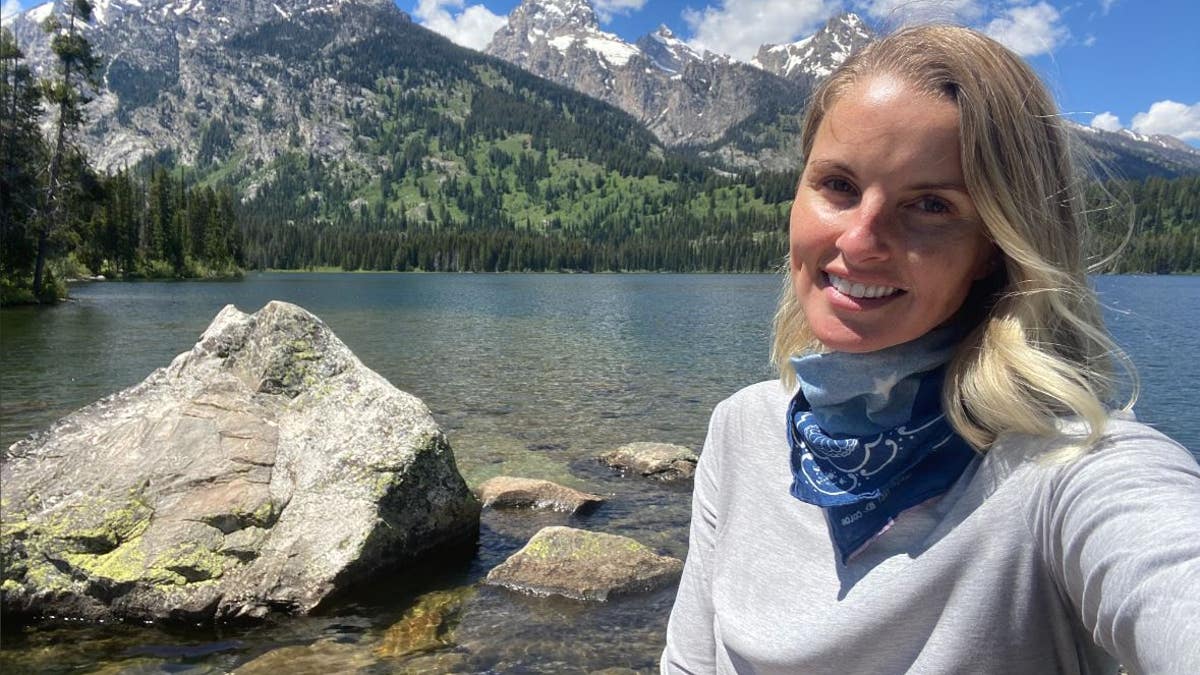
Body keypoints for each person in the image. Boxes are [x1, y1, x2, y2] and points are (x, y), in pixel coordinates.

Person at [661, 24, 1200, 675]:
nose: (860, 241)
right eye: (838, 185)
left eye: (931, 205)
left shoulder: (1062, 469)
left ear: (996, 247)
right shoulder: (741, 428)